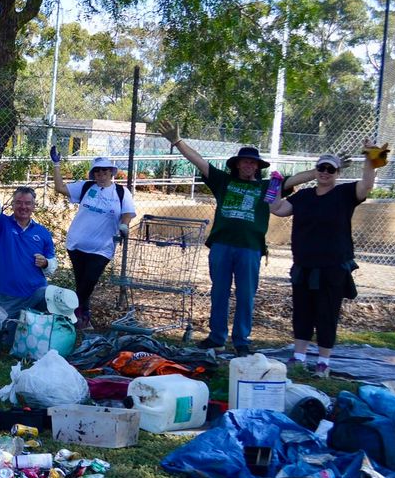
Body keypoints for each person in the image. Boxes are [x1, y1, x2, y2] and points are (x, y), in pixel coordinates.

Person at [158, 122, 315, 355]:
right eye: (245, 161)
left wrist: (323, 168)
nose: (248, 165)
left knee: (245, 294)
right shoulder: (223, 181)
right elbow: (198, 161)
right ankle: (216, 337)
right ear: (237, 164)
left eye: (253, 162)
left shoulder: (267, 186)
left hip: (250, 248)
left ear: (258, 166)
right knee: (219, 291)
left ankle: (242, 340)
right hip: (222, 246)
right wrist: (177, 141)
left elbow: (296, 180)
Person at [270, 146, 380, 375]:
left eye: (331, 169)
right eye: (322, 167)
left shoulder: (345, 194)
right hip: (304, 265)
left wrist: (370, 161)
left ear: (338, 173)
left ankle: (323, 361)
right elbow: (277, 208)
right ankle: (298, 356)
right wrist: (274, 184)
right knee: (302, 311)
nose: (325, 172)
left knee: (326, 313)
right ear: (316, 169)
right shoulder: (304, 196)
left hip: (332, 267)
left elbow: (366, 185)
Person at [50, 147, 136, 330]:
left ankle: (67, 312)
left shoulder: (121, 193)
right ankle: (84, 319)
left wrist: (124, 225)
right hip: (77, 243)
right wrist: (56, 164)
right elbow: (59, 187)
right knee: (82, 282)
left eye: (105, 170)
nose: (101, 174)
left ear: (111, 172)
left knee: (89, 281)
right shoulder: (86, 187)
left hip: (102, 248)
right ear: (93, 174)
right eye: (97, 170)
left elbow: (128, 213)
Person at [0, 153, 60, 325]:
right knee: (5, 339)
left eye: (27, 203)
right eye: (19, 202)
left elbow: (53, 265)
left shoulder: (42, 232)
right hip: (9, 295)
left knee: (52, 299)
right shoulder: (2, 224)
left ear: (34, 206)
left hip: (37, 292)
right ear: (12, 205)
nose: (23, 207)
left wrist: (46, 263)